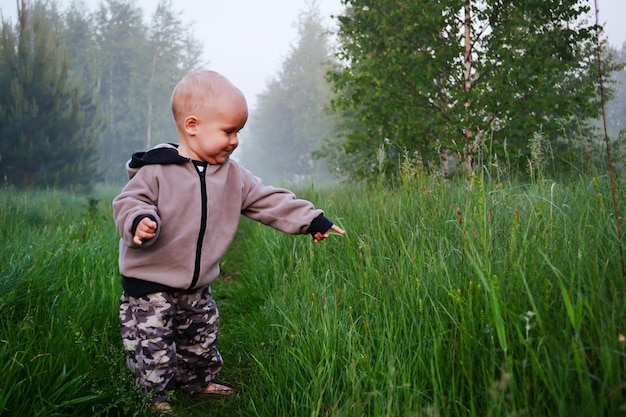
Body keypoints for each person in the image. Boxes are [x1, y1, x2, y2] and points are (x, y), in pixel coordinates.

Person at [112, 70, 345, 412]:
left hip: (196, 282)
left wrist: (311, 219)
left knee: (201, 335)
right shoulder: (157, 170)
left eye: (238, 132)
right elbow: (129, 201)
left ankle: (198, 382)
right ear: (192, 125)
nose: (235, 140)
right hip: (149, 280)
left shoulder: (233, 175)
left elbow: (268, 200)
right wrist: (138, 221)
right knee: (153, 343)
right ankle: (153, 398)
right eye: (228, 131)